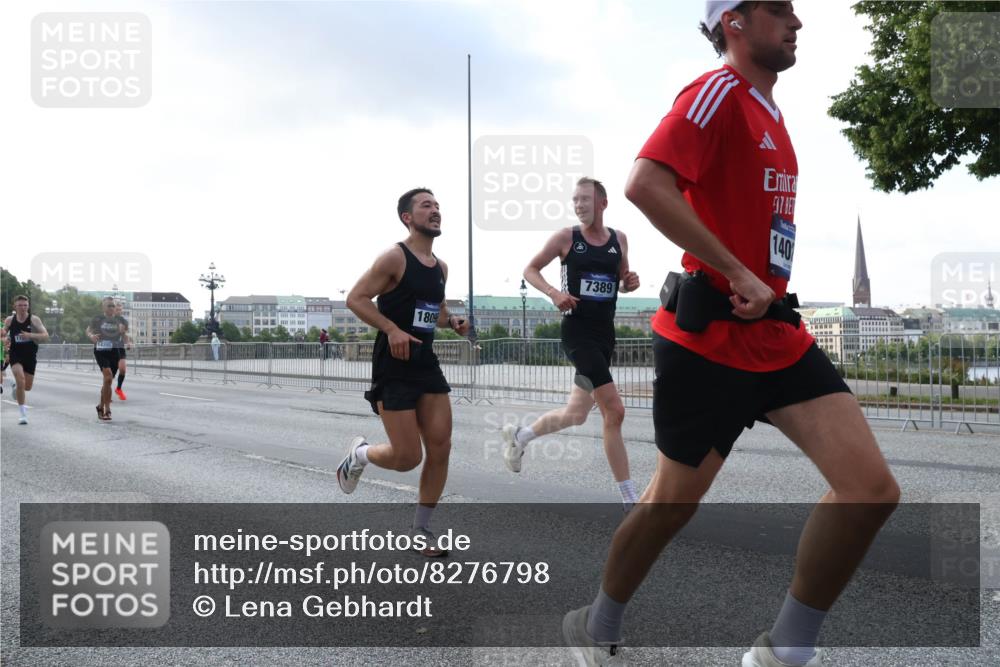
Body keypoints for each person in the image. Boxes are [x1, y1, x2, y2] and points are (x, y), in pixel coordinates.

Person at [561, 4, 901, 667]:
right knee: (669, 506)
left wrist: (756, 278)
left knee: (871, 490)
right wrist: (735, 269)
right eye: (779, 9)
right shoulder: (716, 91)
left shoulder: (771, 114)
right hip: (707, 339)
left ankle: (785, 651)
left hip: (776, 336)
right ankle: (594, 621)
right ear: (736, 22)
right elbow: (644, 182)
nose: (796, 19)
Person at [338, 187, 470, 557]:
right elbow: (356, 298)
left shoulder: (441, 267)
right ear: (407, 218)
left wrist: (452, 321)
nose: (435, 210)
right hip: (393, 366)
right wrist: (391, 329)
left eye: (438, 205)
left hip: (425, 363)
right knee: (407, 457)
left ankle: (421, 530)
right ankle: (360, 454)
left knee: (441, 446)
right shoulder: (394, 258)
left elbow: (435, 311)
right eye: (426, 205)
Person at [501, 177, 641, 511]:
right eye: (575, 200)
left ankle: (520, 437)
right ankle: (630, 500)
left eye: (585, 200)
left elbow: (621, 279)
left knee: (576, 414)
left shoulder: (619, 239)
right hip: (577, 334)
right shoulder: (567, 237)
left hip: (605, 334)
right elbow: (531, 268)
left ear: (603, 203)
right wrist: (554, 293)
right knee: (614, 411)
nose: (579, 205)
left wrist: (629, 283)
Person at [1, 296, 49, 424]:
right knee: (21, 379)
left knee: (27, 387)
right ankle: (23, 415)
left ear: (28, 306)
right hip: (16, 354)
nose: (23, 308)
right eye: (20, 305)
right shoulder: (10, 320)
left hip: (30, 356)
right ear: (15, 307)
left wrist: (30, 335)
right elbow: (4, 334)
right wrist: (4, 339)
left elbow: (45, 335)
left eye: (25, 305)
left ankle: (16, 387)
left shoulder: (34, 319)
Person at [87, 297, 127, 421]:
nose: (111, 308)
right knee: (108, 376)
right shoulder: (98, 319)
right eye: (109, 306)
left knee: (108, 381)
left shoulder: (121, 320)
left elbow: (124, 335)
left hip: (114, 351)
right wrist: (91, 336)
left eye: (113, 306)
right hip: (100, 350)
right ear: (103, 307)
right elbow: (88, 330)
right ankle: (107, 409)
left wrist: (126, 339)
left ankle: (100, 406)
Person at [113, 301, 130, 400]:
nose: (119, 311)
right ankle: (106, 391)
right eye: (117, 309)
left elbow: (124, 334)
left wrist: (128, 342)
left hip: (119, 346)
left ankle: (118, 388)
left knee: (123, 369)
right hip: (110, 347)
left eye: (121, 310)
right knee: (110, 373)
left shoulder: (123, 321)